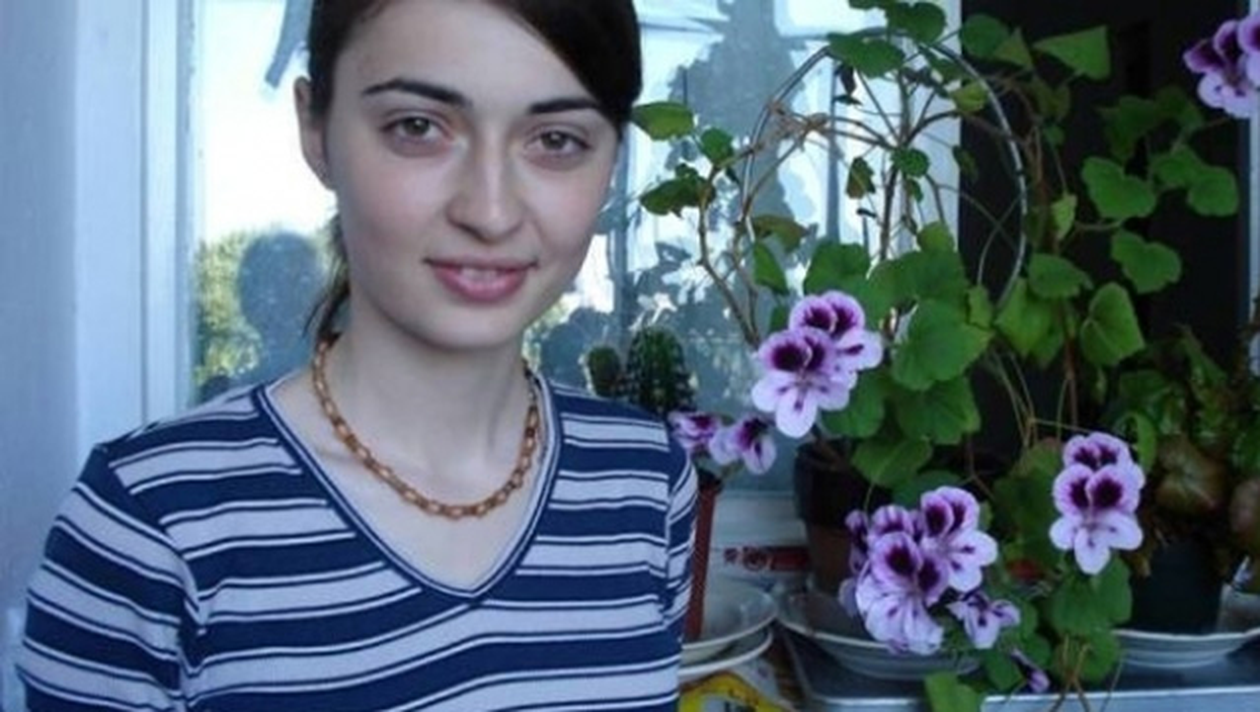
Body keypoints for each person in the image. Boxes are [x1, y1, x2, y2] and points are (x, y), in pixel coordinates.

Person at [17, 1, 697, 710]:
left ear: (613, 159)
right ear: (316, 131)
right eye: (418, 127)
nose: (490, 212)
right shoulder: (148, 524)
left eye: (556, 139)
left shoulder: (647, 484)